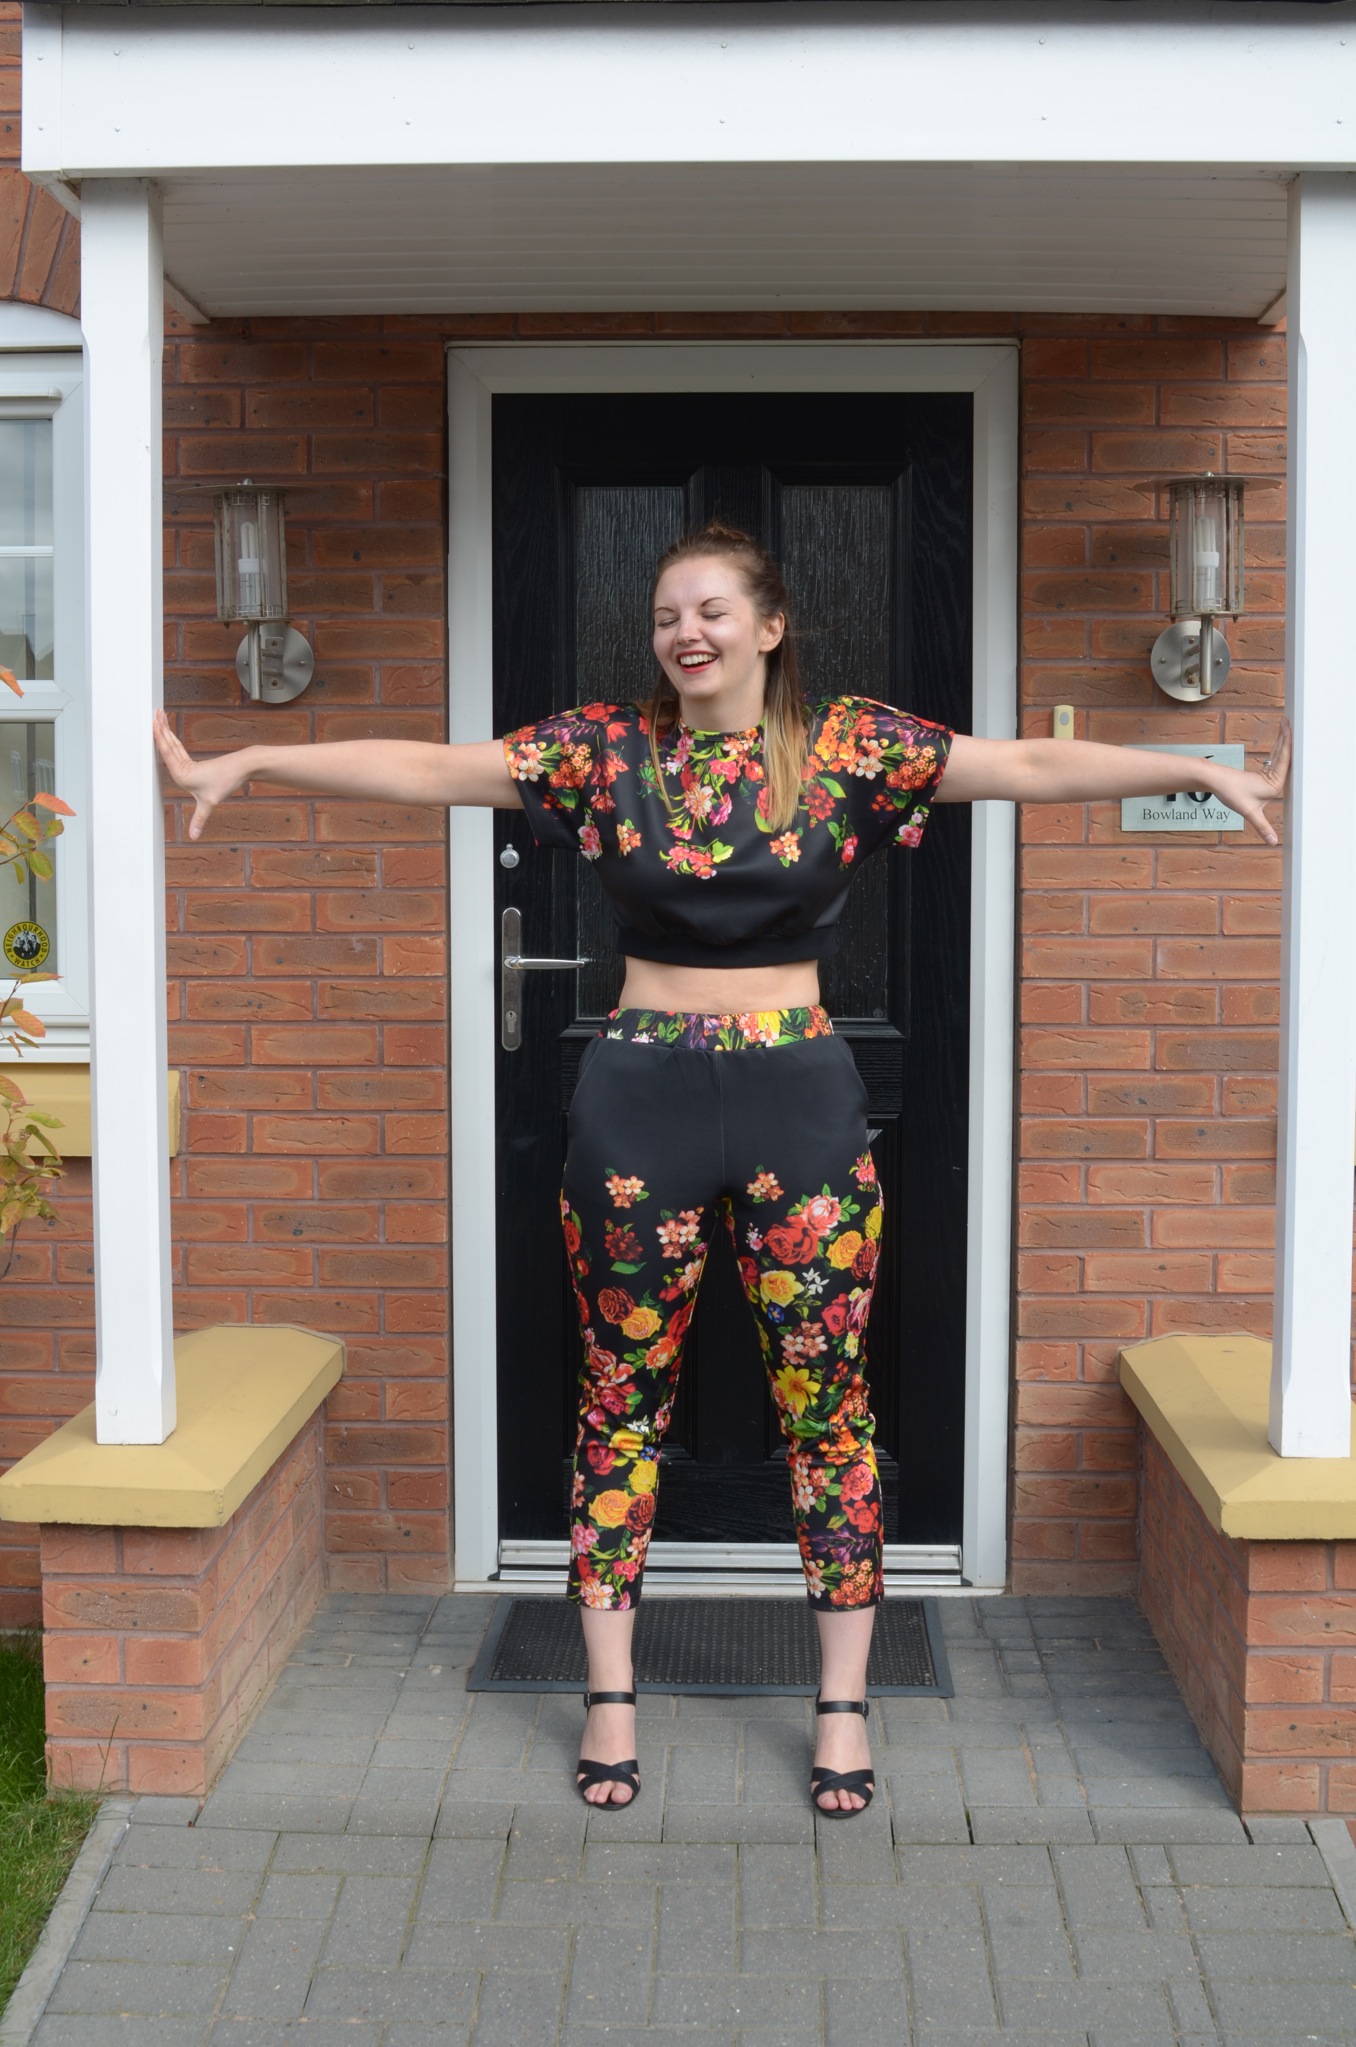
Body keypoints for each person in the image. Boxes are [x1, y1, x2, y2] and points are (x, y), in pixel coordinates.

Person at [153, 520, 1290, 1820]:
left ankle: (844, 1706)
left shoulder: (851, 748)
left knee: (828, 1410)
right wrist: (255, 759)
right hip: (639, 1096)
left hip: (799, 1095)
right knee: (621, 1398)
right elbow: (427, 767)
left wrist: (1202, 773)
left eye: (709, 611)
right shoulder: (603, 752)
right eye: (665, 616)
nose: (683, 634)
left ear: (769, 625)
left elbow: (1028, 762)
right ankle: (610, 1696)